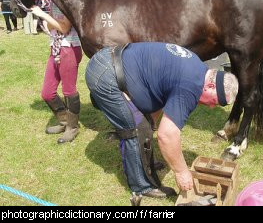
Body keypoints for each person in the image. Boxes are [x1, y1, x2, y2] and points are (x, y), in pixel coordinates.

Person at [85, 42, 239, 199]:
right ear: (211, 85)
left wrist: (150, 124)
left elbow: (161, 93)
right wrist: (181, 172)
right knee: (134, 129)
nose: (212, 107)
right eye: (216, 101)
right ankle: (141, 187)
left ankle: (144, 162)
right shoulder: (192, 86)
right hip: (105, 75)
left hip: (111, 60)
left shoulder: (198, 69)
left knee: (145, 126)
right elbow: (167, 135)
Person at [31, 3, 82, 144]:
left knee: (68, 90)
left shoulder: (67, 1)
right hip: (55, 48)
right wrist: (53, 21)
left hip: (70, 48)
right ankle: (64, 121)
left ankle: (72, 127)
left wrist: (44, 15)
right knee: (47, 93)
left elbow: (65, 28)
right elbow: (50, 26)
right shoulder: (52, 3)